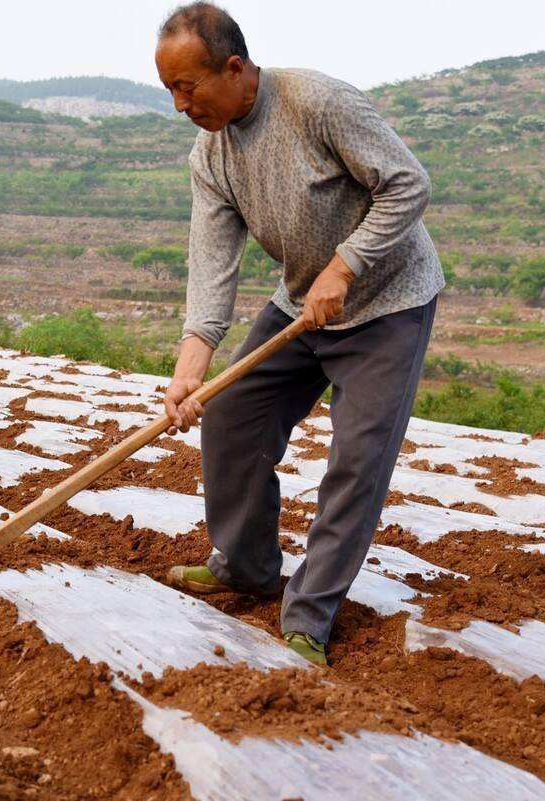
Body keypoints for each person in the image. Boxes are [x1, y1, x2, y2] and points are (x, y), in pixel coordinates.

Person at [155, 3, 443, 665]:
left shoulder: (319, 103)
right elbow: (211, 264)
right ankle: (248, 565)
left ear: (234, 68)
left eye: (187, 87)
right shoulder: (211, 155)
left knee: (356, 458)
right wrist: (190, 366)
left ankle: (308, 617)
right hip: (301, 303)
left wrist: (346, 264)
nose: (178, 105)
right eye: (169, 90)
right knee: (230, 414)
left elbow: (408, 183)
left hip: (387, 302)